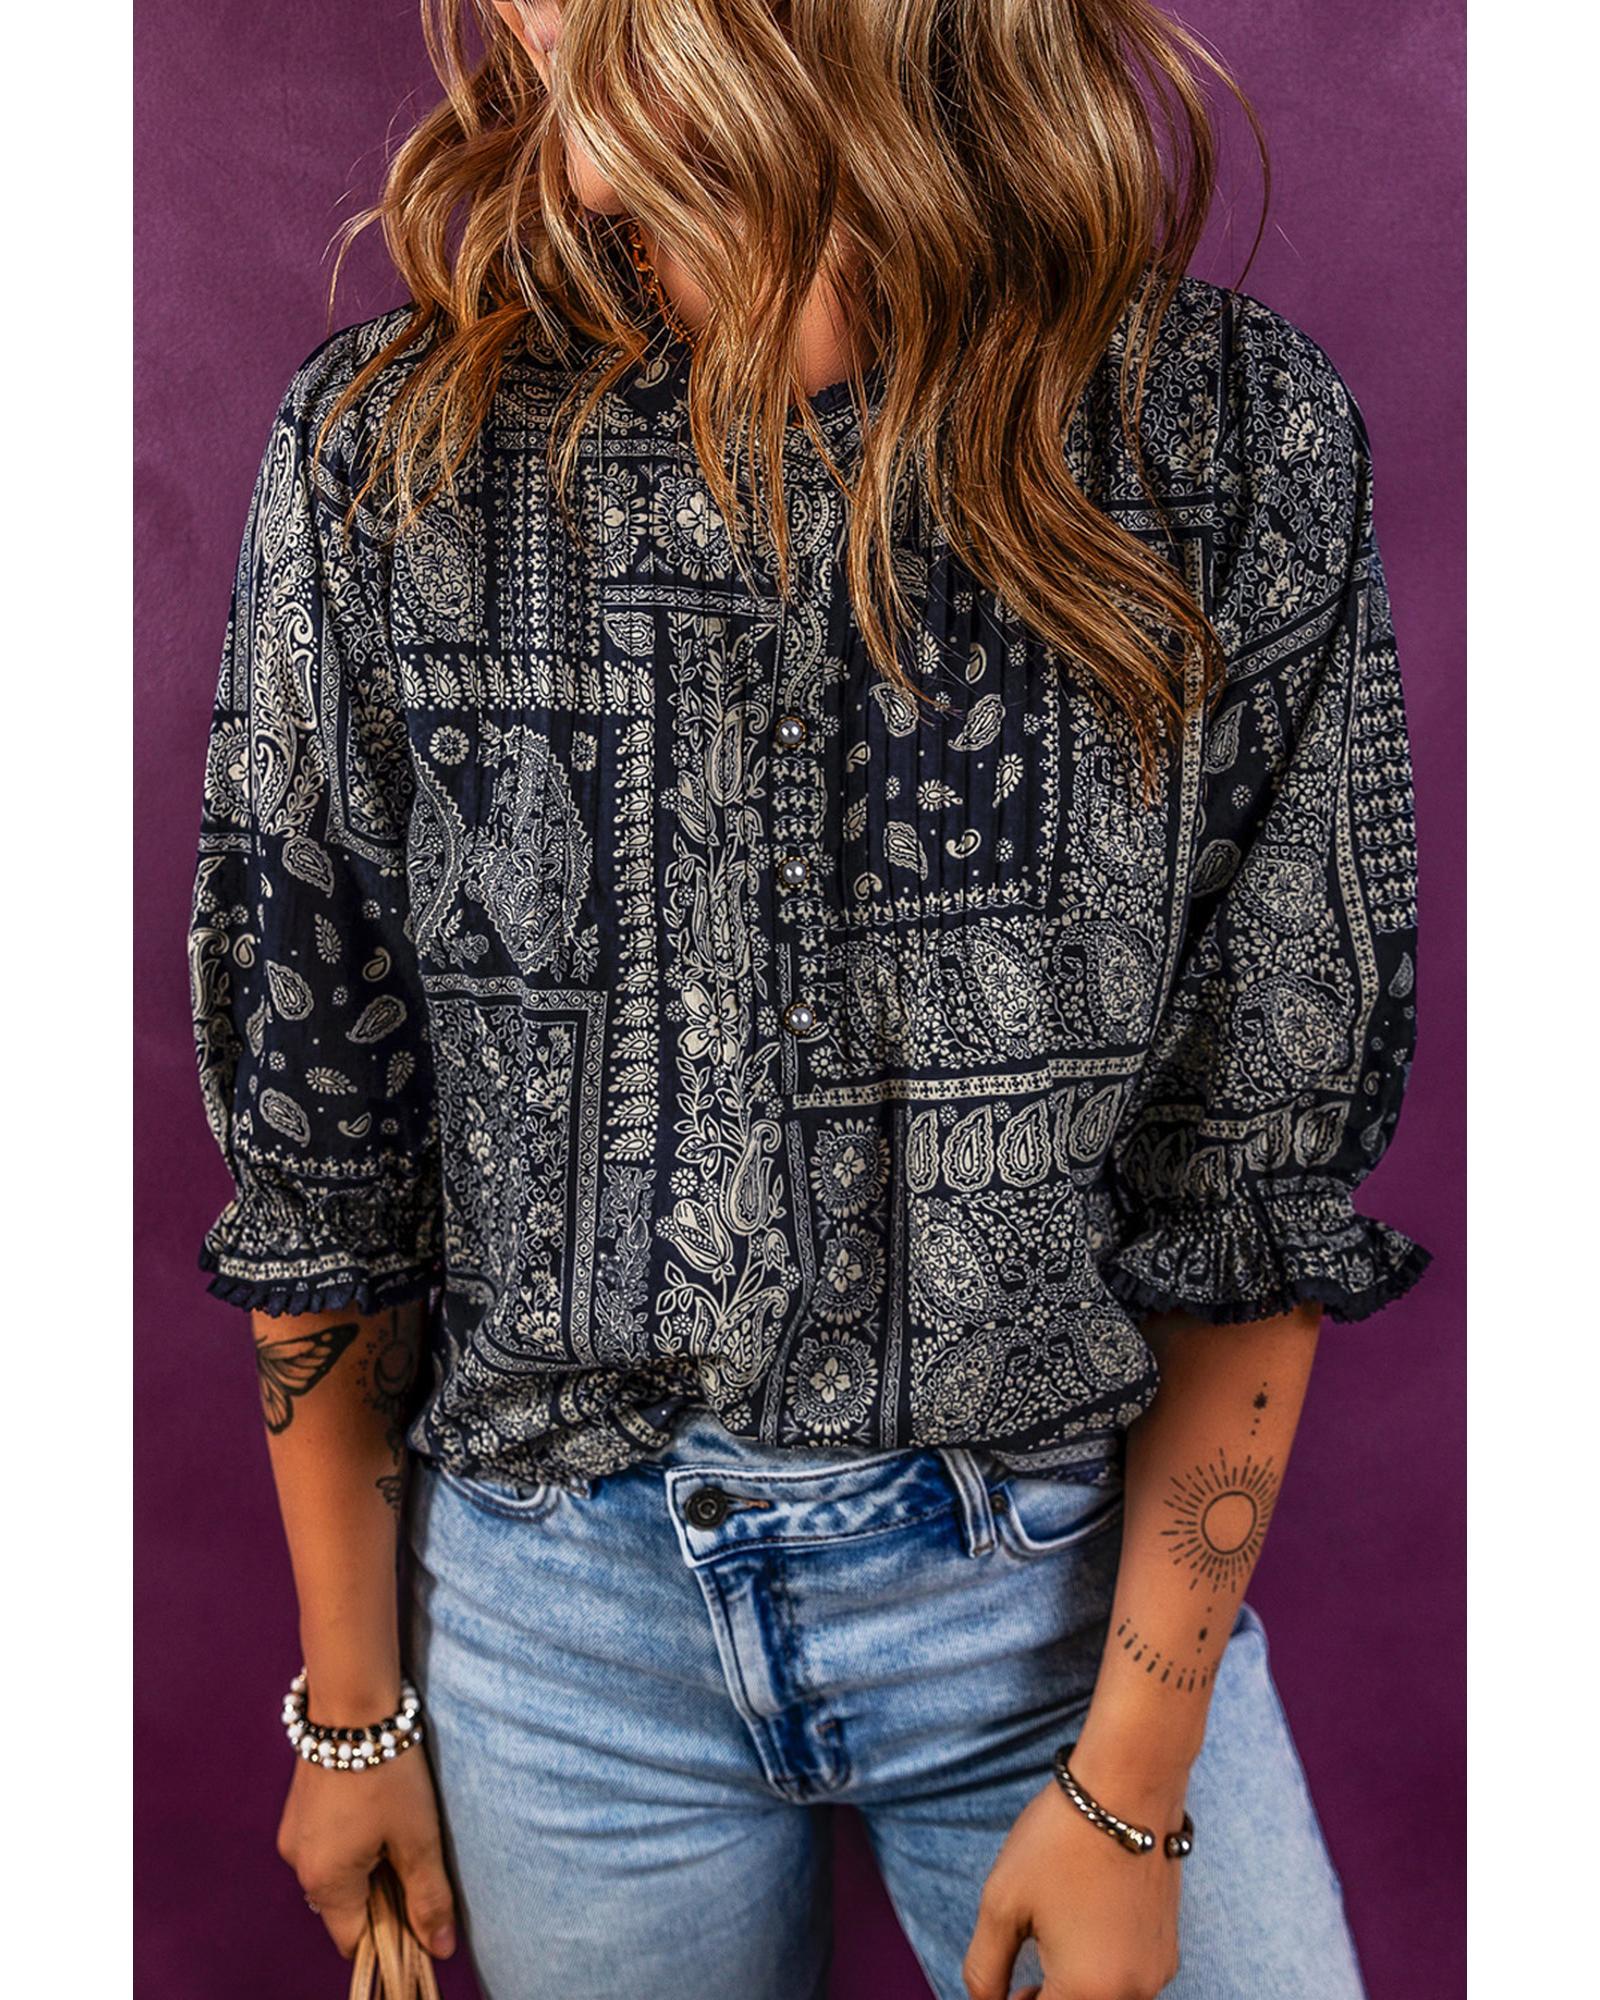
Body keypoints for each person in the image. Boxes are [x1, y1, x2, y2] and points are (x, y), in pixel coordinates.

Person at [183, 4, 1431, 1996]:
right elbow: (327, 1157)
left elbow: (1254, 1171)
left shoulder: (1214, 445)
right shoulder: (387, 460)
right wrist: (354, 1713)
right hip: (553, 1632)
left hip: (1050, 1608)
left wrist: (1131, 1777)